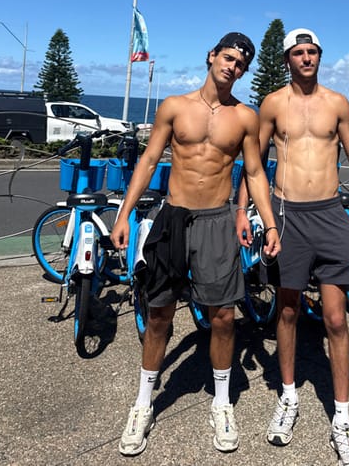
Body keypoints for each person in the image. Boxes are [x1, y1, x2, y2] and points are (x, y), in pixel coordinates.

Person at [111, 32, 281, 457]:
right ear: (211, 56)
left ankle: (222, 404)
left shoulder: (245, 117)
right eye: (228, 58)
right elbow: (149, 160)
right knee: (159, 315)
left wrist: (271, 224)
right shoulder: (174, 106)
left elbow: (255, 174)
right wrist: (124, 215)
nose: (233, 67)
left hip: (216, 220)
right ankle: (143, 402)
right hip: (173, 218)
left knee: (224, 316)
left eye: (241, 64)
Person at [237, 28, 349, 466]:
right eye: (298, 52)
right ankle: (288, 397)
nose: (306, 57)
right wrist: (244, 211)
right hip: (286, 216)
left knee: (336, 318)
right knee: (287, 309)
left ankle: (341, 419)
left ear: (320, 56)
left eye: (312, 51)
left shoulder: (336, 103)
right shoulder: (272, 104)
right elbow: (254, 162)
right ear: (287, 60)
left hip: (330, 215)